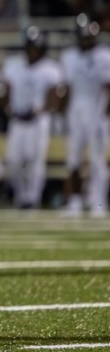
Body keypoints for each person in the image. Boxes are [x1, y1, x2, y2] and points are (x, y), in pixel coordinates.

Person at [1, 26, 63, 209]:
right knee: (14, 161)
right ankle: (20, 197)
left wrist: (41, 110)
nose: (32, 51)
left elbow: (54, 99)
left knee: (36, 162)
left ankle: (33, 199)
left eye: (36, 47)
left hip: (38, 121)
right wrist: (8, 108)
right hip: (18, 120)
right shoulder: (13, 65)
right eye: (30, 47)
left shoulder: (51, 69)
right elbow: (6, 90)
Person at [58, 17, 110, 217]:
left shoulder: (103, 55)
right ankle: (75, 202)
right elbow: (68, 88)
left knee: (97, 159)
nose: (85, 40)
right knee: (73, 159)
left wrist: (104, 114)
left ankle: (98, 203)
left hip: (96, 107)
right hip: (76, 109)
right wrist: (63, 114)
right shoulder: (69, 56)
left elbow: (108, 87)